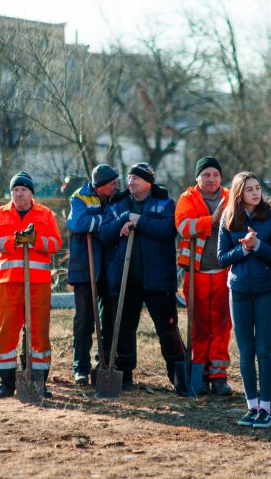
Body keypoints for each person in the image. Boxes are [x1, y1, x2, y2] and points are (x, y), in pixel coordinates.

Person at [98, 163, 186, 390]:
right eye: (129, 177)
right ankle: (124, 375)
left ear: (149, 181)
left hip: (158, 279)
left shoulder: (165, 202)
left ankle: (179, 376)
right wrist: (124, 219)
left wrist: (139, 221)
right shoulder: (118, 205)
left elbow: (168, 229)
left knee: (167, 328)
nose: (131, 182)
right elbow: (105, 234)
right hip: (125, 279)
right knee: (124, 327)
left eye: (136, 178)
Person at [0, 172, 62, 398]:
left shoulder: (45, 214)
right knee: (6, 330)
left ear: (31, 193)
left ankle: (39, 382)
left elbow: (56, 243)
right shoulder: (0, 214)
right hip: (8, 283)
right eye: (15, 190)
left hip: (38, 284)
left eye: (24, 190)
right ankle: (6, 384)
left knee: (39, 331)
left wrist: (35, 240)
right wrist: (14, 240)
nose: (19, 194)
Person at [218, 172, 271, 428]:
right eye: (249, 190)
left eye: (257, 188)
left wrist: (258, 246)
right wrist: (243, 249)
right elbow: (222, 257)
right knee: (245, 352)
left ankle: (266, 409)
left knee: (263, 350)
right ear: (238, 193)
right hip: (239, 291)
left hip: (267, 291)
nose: (256, 193)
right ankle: (252, 407)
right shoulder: (228, 218)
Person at [175, 157, 233, 395]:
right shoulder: (187, 198)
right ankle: (199, 370)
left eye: (215, 175)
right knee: (198, 323)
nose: (211, 179)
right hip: (196, 272)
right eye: (206, 175)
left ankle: (218, 375)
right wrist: (213, 219)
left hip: (224, 271)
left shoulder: (231, 197)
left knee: (221, 323)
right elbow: (183, 227)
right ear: (197, 178)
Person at [66, 164, 120, 385]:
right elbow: (77, 223)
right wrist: (104, 222)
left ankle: (105, 363)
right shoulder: (79, 197)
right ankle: (81, 367)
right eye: (112, 185)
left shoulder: (115, 198)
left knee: (108, 318)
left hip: (108, 267)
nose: (116, 187)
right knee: (84, 319)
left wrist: (96, 222)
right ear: (99, 187)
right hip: (84, 267)